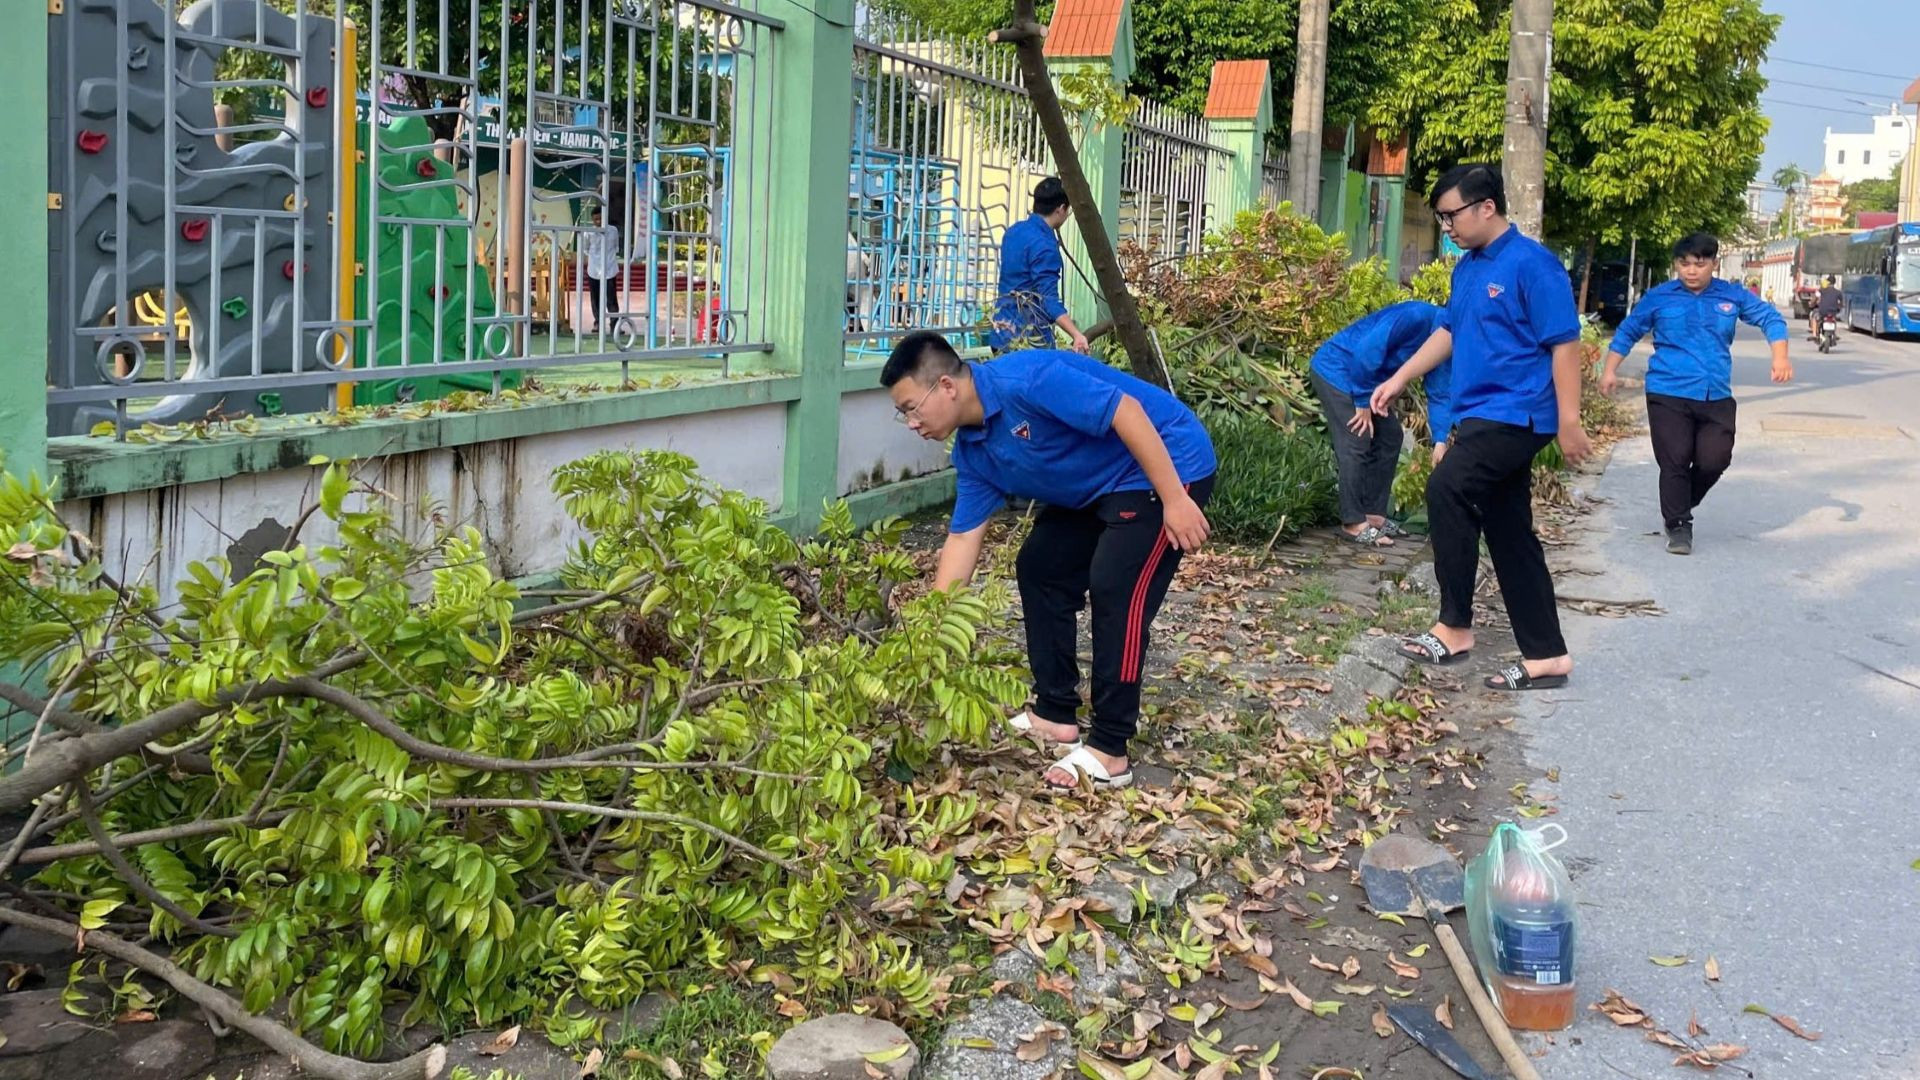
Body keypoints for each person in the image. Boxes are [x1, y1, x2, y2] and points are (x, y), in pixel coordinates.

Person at [882, 331, 1216, 789]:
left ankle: (1110, 747)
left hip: (1167, 463)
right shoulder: (974, 452)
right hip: (1096, 486)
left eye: (911, 408)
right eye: (902, 414)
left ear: (946, 387)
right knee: (1041, 567)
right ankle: (1055, 713)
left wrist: (1175, 498)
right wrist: (929, 633)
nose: (910, 423)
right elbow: (962, 539)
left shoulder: (1028, 381)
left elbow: (1127, 411)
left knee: (1115, 585)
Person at [1369, 164, 1591, 692]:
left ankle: (1454, 627)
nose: (1446, 226)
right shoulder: (1467, 268)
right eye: (1441, 218)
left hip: (1519, 412)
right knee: (1509, 531)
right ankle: (1547, 656)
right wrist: (1400, 377)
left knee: (1447, 488)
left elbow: (1564, 343)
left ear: (1487, 207)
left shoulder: (1533, 265)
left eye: (1452, 215)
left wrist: (1570, 419)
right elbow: (1449, 331)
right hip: (1481, 414)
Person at [1600, 233, 1792, 555]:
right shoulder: (1659, 297)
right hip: (1667, 391)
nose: (1691, 271)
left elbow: (1770, 318)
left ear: (1714, 264)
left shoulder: (1731, 295)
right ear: (1676, 264)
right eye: (1684, 263)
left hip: (1715, 392)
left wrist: (1780, 356)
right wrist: (1609, 371)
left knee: (1715, 459)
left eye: (1699, 264)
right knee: (1674, 459)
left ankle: (1680, 499)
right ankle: (1678, 525)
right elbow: (1628, 331)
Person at [1307, 300, 1455, 546]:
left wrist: (1439, 440)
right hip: (1337, 369)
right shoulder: (1417, 317)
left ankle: (1373, 514)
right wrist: (1362, 401)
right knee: (1358, 436)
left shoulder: (1448, 343)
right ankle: (1353, 523)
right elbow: (1367, 351)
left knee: (1390, 436)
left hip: (1368, 382)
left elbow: (1439, 393)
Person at [989, 178, 1090, 355]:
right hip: (1029, 339)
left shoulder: (1013, 232)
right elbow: (1049, 300)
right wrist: (1076, 334)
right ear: (1061, 209)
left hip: (1001, 332)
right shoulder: (1044, 246)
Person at [580, 206, 622, 334]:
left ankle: (615, 325)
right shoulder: (588, 232)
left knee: (611, 299)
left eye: (600, 218)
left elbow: (616, 247)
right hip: (594, 269)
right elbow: (585, 249)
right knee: (595, 298)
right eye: (595, 219)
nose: (598, 221)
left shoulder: (613, 230)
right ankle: (598, 322)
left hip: (609, 269)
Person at [1808, 275, 1843, 341]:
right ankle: (1834, 333)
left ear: (1828, 282)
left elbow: (1815, 298)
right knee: (1834, 319)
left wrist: (1812, 304)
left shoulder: (1822, 290)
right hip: (1833, 312)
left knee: (1814, 317)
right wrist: (1839, 308)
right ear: (1834, 282)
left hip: (1823, 311)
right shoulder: (1838, 292)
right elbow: (1841, 303)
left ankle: (1814, 334)